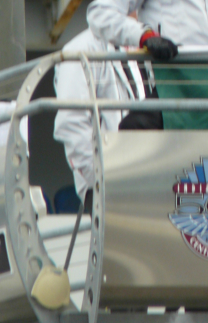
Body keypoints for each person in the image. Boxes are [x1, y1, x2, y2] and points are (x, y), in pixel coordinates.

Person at [52, 28, 146, 203]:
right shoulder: (82, 48)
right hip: (108, 187)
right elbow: (71, 123)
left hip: (146, 181)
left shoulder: (140, 46)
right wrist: (101, 179)